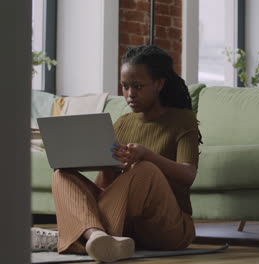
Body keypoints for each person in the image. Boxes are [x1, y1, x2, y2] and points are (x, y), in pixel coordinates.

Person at [31, 45, 202, 262]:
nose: (130, 94)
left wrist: (146, 155)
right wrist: (107, 165)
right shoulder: (123, 123)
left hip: (169, 229)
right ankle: (96, 236)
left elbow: (188, 175)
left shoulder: (182, 120)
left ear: (159, 84)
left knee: (145, 169)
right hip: (126, 227)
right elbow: (105, 188)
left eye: (138, 86)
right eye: (125, 86)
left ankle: (73, 236)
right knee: (61, 174)